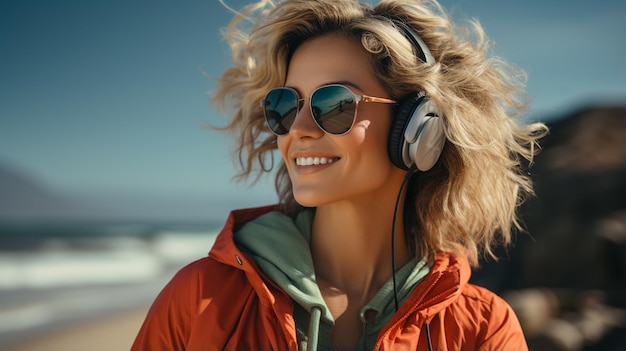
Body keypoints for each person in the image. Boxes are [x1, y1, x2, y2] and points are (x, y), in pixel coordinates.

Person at [132, 0, 548, 349]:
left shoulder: (482, 328)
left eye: (335, 104)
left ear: (420, 128)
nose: (298, 129)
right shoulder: (198, 297)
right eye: (285, 105)